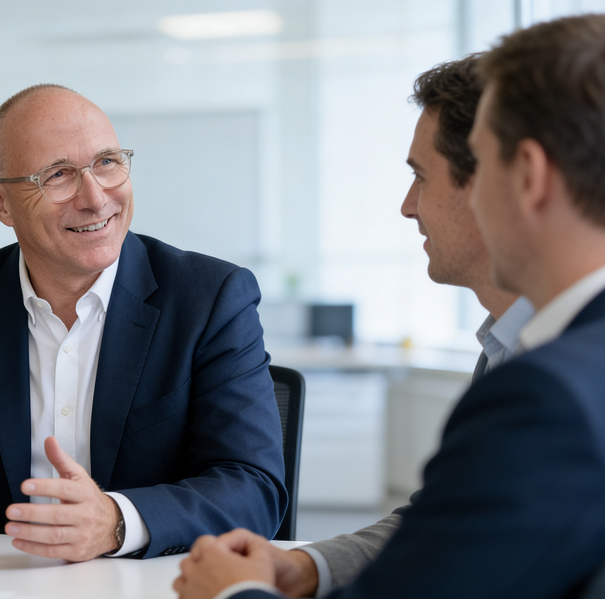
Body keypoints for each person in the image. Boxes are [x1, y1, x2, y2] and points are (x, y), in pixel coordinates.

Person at [174, 13, 605, 599]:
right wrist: (308, 567)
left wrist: (234, 595)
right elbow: (453, 530)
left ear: (526, 176)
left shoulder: (550, 393)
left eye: (424, 177)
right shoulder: (524, 347)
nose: (407, 208)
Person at [0, 84, 287, 562]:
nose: (95, 198)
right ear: (0, 204)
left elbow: (253, 486)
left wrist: (115, 522)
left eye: (108, 162)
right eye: (57, 175)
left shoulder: (210, 298)